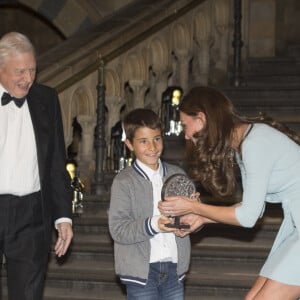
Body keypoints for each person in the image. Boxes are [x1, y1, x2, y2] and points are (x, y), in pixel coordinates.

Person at [158, 86, 300, 300]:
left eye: (186, 125)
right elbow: (252, 208)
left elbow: (248, 218)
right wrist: (202, 218)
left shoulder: (254, 143)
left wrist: (194, 206)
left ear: (202, 118)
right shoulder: (244, 143)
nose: (186, 135)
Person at [0, 32, 73, 300]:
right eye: (20, 71)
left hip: (32, 215)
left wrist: (63, 216)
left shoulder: (46, 98)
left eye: (32, 70)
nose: (28, 78)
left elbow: (56, 162)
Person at [108, 108, 191, 300]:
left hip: (174, 267)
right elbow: (118, 229)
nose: (152, 147)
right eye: (143, 141)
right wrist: (154, 224)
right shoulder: (124, 182)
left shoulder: (177, 175)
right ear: (129, 144)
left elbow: (190, 219)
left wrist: (191, 215)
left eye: (157, 139)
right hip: (141, 272)